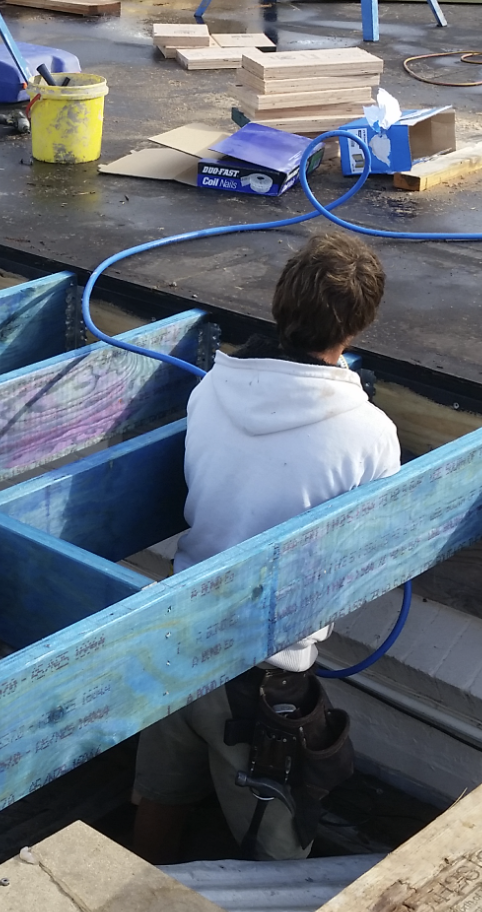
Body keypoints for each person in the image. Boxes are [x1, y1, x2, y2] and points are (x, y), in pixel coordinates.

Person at [131, 231, 400, 864]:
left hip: (177, 631)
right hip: (265, 669)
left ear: (280, 307)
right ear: (359, 328)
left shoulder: (211, 389)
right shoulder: (369, 433)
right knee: (275, 856)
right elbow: (370, 564)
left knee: (160, 797)